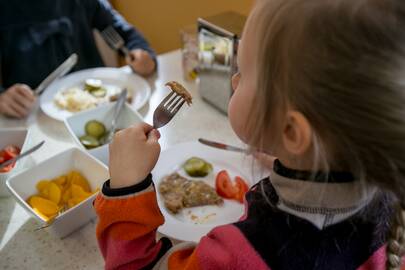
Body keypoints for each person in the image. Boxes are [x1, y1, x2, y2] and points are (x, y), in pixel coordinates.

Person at [94, 0, 405, 269]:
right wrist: (298, 159)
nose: (233, 81)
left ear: (292, 131)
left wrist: (126, 189)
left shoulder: (243, 255)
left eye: (242, 71)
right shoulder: (393, 208)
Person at [0, 0, 156, 118]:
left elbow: (122, 31)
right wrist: (2, 98)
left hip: (103, 109)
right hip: (30, 116)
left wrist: (142, 53)